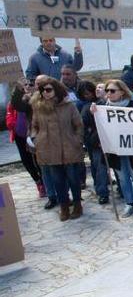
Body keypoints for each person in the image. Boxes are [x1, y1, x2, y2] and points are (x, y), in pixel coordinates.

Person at [30, 76, 84, 221]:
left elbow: (78, 125)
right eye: (42, 90)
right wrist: (36, 139)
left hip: (69, 148)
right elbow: (34, 126)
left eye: (48, 89)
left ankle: (77, 204)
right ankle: (64, 206)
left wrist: (77, 140)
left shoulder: (69, 106)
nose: (45, 93)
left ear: (56, 90)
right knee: (58, 181)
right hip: (48, 149)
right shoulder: (38, 107)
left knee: (73, 179)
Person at [93, 80, 133, 218]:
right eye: (107, 91)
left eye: (112, 91)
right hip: (115, 150)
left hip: (132, 148)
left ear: (122, 91)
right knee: (122, 178)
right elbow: (96, 126)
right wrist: (93, 112)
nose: (109, 94)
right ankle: (129, 203)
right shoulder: (102, 108)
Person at [6, 79, 44, 197]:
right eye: (25, 85)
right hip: (20, 135)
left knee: (38, 160)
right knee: (26, 160)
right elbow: (11, 111)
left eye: (30, 84)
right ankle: (38, 182)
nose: (27, 86)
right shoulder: (16, 101)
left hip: (34, 134)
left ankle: (44, 183)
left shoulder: (36, 99)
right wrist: (12, 124)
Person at [76, 81, 109, 205]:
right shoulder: (84, 107)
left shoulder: (103, 103)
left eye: (89, 93)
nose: (87, 96)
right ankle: (102, 192)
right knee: (98, 166)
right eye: (85, 94)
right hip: (94, 142)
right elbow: (83, 125)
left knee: (108, 166)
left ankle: (116, 189)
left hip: (105, 139)